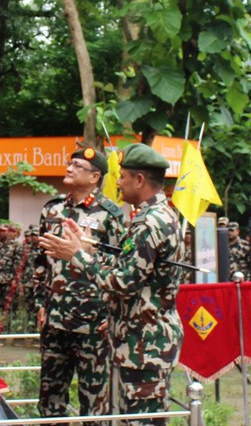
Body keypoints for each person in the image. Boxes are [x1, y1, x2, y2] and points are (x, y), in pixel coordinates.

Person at [40, 143, 183, 426]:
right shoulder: (154, 216)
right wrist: (89, 250)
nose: (117, 182)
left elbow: (121, 282)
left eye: (123, 176)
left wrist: (77, 256)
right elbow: (128, 268)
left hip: (145, 343)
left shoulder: (150, 223)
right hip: (141, 342)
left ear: (139, 180)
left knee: (140, 420)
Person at [32, 147, 124, 423]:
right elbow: (41, 262)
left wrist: (112, 313)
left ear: (95, 176)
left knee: (94, 403)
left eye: (77, 166)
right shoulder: (53, 209)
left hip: (94, 322)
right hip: (55, 319)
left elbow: (120, 268)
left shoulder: (111, 214)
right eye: (69, 164)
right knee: (50, 399)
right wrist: (39, 303)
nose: (69, 169)